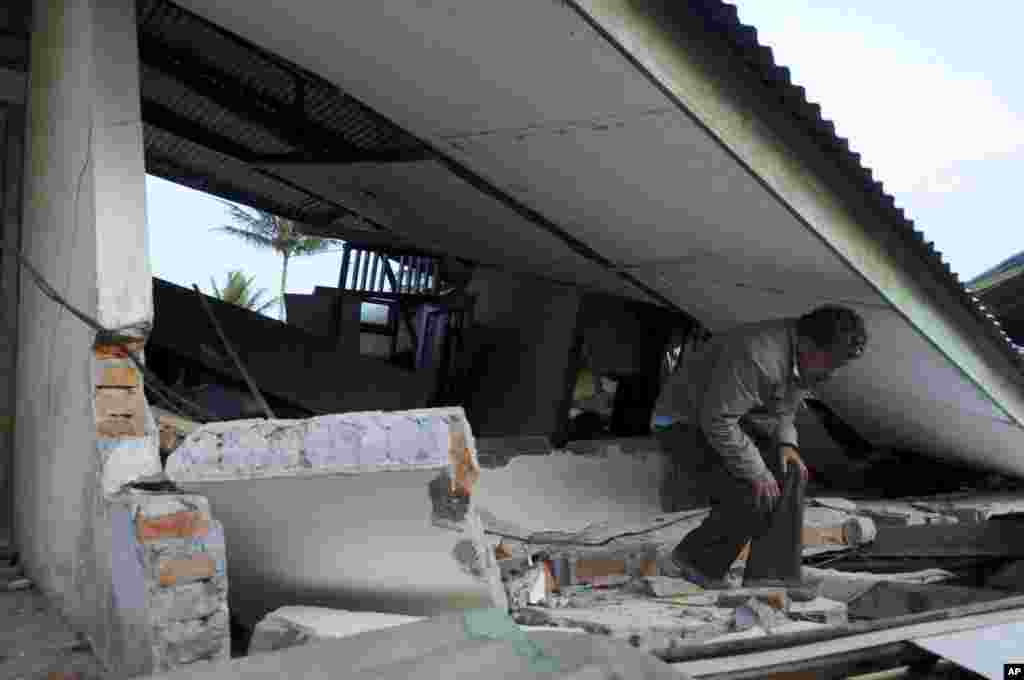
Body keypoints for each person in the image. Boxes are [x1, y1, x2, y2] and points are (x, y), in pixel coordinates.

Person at [651, 305, 868, 587]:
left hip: (730, 418)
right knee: (753, 491)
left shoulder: (804, 354)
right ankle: (695, 562)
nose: (832, 373)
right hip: (680, 422)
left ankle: (768, 577)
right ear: (806, 344)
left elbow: (785, 407)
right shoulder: (759, 357)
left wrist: (787, 444)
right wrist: (757, 471)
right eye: (830, 363)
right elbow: (717, 421)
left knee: (788, 475)